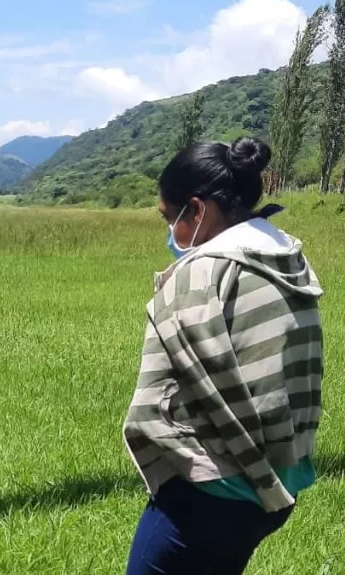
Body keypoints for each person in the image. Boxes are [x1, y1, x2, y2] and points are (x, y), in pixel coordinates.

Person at [122, 137, 324, 574]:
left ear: (198, 210)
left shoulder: (203, 274)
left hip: (214, 493)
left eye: (169, 217)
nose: (170, 233)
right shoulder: (286, 257)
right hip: (280, 480)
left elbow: (167, 399)